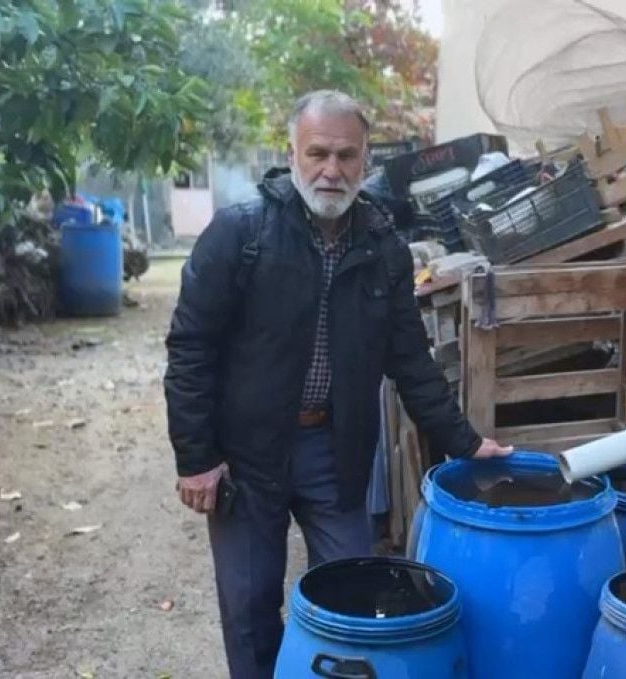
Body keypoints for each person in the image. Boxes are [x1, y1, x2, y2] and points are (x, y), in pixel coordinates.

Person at [163, 90, 512, 678]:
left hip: (335, 450)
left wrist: (465, 443)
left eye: (346, 155)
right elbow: (190, 348)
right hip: (248, 457)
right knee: (249, 609)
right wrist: (196, 457)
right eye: (318, 153)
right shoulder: (240, 234)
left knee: (352, 595)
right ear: (292, 153)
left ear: (366, 159)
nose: (332, 169)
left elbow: (410, 359)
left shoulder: (382, 249)